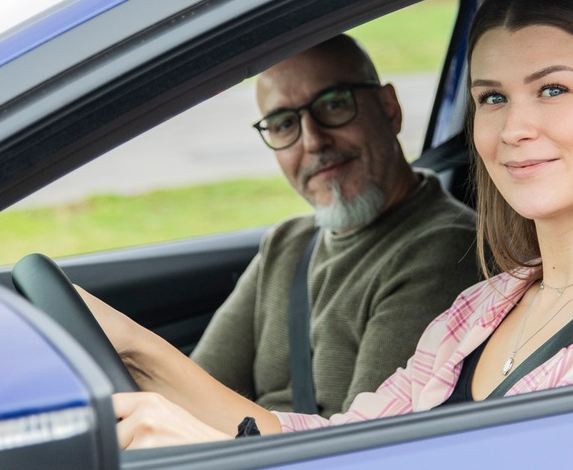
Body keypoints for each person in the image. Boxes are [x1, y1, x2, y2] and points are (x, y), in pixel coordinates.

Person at [81, 0, 573, 449]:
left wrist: (203, 448)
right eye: (493, 98)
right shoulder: (489, 305)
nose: (514, 128)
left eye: (552, 89)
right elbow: (352, 441)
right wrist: (136, 347)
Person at [188, 35, 480, 416]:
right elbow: (191, 389)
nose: (312, 140)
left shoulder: (444, 249)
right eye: (283, 123)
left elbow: (363, 444)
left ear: (389, 109)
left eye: (334, 104)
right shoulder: (287, 242)